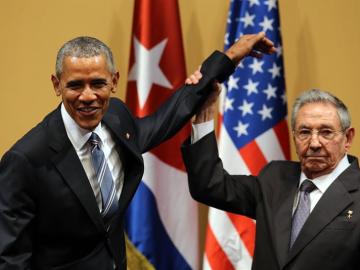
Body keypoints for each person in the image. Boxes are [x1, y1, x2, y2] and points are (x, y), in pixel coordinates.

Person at [0, 33, 275, 270]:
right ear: (57, 85)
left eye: (97, 83)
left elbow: (167, 118)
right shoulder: (24, 160)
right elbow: (11, 258)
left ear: (114, 81)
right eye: (75, 85)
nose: (87, 96)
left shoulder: (116, 118)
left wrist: (229, 58)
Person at [181, 87, 359, 270]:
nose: (314, 143)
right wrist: (203, 115)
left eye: (326, 132)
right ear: (295, 136)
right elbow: (209, 185)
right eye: (304, 132)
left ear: (347, 138)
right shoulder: (275, 178)